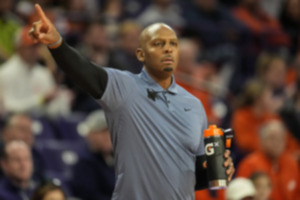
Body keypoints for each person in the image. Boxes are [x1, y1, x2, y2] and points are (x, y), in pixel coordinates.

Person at [29, 4, 235, 199]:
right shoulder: (124, 87)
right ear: (140, 54)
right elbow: (84, 71)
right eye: (158, 44)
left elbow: (191, 176)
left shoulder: (195, 106)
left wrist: (217, 171)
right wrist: (57, 43)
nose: (168, 49)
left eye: (173, 44)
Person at [236, 120, 300, 200]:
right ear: (261, 140)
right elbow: (241, 195)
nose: (277, 142)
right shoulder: (249, 164)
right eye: (272, 138)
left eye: (281, 138)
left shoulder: (292, 163)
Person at [71, 110, 115, 200]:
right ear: (90, 134)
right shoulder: (85, 162)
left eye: (109, 131)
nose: (107, 136)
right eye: (102, 132)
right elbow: (89, 195)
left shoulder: (115, 159)